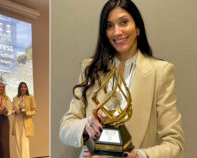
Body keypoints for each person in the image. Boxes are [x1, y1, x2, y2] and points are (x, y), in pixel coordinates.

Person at [59, 0, 185, 158]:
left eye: (124, 22)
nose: (117, 32)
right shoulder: (90, 69)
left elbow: (176, 144)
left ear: (137, 27)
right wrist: (87, 126)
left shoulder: (161, 72)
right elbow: (65, 128)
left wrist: (139, 155)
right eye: (109, 26)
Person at [12, 82, 37, 158]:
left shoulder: (30, 97)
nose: (23, 88)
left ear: (26, 88)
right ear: (19, 89)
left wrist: (27, 113)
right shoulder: (15, 98)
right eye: (22, 87)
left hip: (26, 121)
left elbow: (35, 110)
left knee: (24, 142)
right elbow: (12, 110)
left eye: (24, 87)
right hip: (17, 122)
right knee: (18, 142)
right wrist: (15, 111)